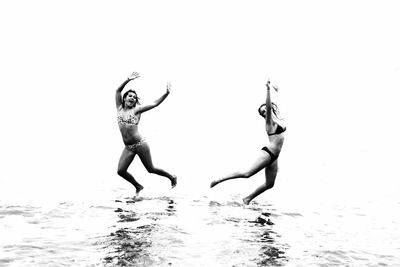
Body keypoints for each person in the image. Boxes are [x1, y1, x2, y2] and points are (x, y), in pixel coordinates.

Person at [210, 79, 286, 204]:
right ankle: (218, 180)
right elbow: (268, 105)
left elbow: (272, 105)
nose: (265, 111)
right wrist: (267, 89)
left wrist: (275, 91)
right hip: (268, 153)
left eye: (266, 109)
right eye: (263, 111)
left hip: (275, 157)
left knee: (269, 184)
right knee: (247, 174)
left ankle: (247, 199)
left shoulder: (277, 119)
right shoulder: (269, 123)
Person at [115, 71, 177, 196]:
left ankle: (172, 177)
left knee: (151, 169)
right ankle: (138, 186)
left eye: (134, 97)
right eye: (130, 96)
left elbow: (155, 103)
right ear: (125, 98)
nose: (132, 98)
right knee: (121, 171)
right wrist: (128, 79)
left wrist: (166, 93)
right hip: (128, 147)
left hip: (140, 144)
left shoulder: (137, 110)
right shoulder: (119, 108)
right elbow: (117, 91)